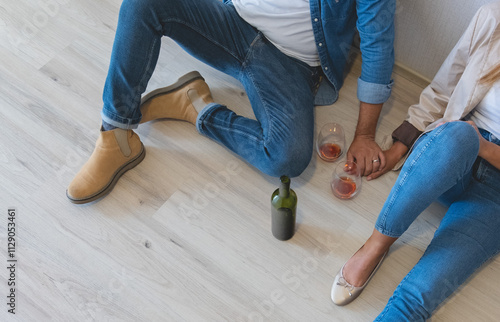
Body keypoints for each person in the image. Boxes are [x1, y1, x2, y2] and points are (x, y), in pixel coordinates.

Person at [66, 0, 396, 204]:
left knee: (287, 158)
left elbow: (378, 47)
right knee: (143, 4)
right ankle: (116, 135)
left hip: (288, 63)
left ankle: (195, 107)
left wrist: (365, 135)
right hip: (231, 20)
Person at [330, 2, 500, 320]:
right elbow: (444, 87)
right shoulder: (495, 16)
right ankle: (377, 244)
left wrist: (484, 148)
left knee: (417, 298)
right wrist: (401, 145)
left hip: (495, 195)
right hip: (455, 149)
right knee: (459, 136)